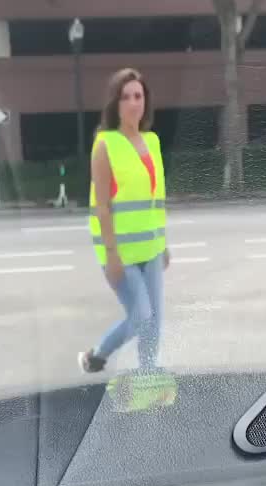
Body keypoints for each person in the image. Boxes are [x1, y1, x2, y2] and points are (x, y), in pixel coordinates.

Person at [79, 67, 170, 374]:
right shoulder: (106, 144)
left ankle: (148, 371)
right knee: (141, 317)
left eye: (139, 96)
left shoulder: (153, 141)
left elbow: (155, 200)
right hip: (121, 254)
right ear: (115, 104)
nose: (134, 103)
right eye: (126, 97)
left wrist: (164, 244)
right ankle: (97, 354)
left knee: (155, 319)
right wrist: (112, 255)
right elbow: (102, 206)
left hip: (152, 248)